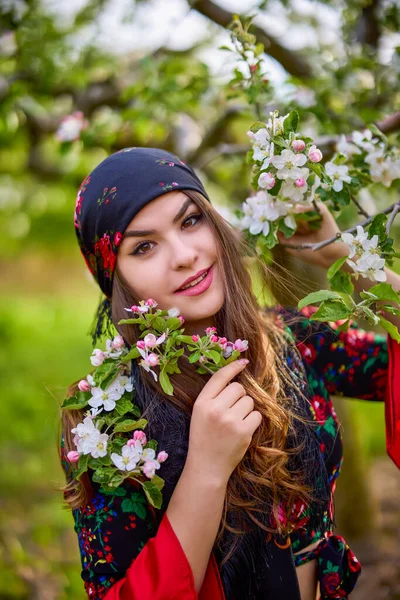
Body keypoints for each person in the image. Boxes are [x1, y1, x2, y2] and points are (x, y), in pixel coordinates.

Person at [59, 147, 400, 600]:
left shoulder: (286, 337)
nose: (184, 255)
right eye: (143, 246)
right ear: (116, 280)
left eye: (190, 221)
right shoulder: (106, 420)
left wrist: (342, 254)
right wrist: (205, 471)